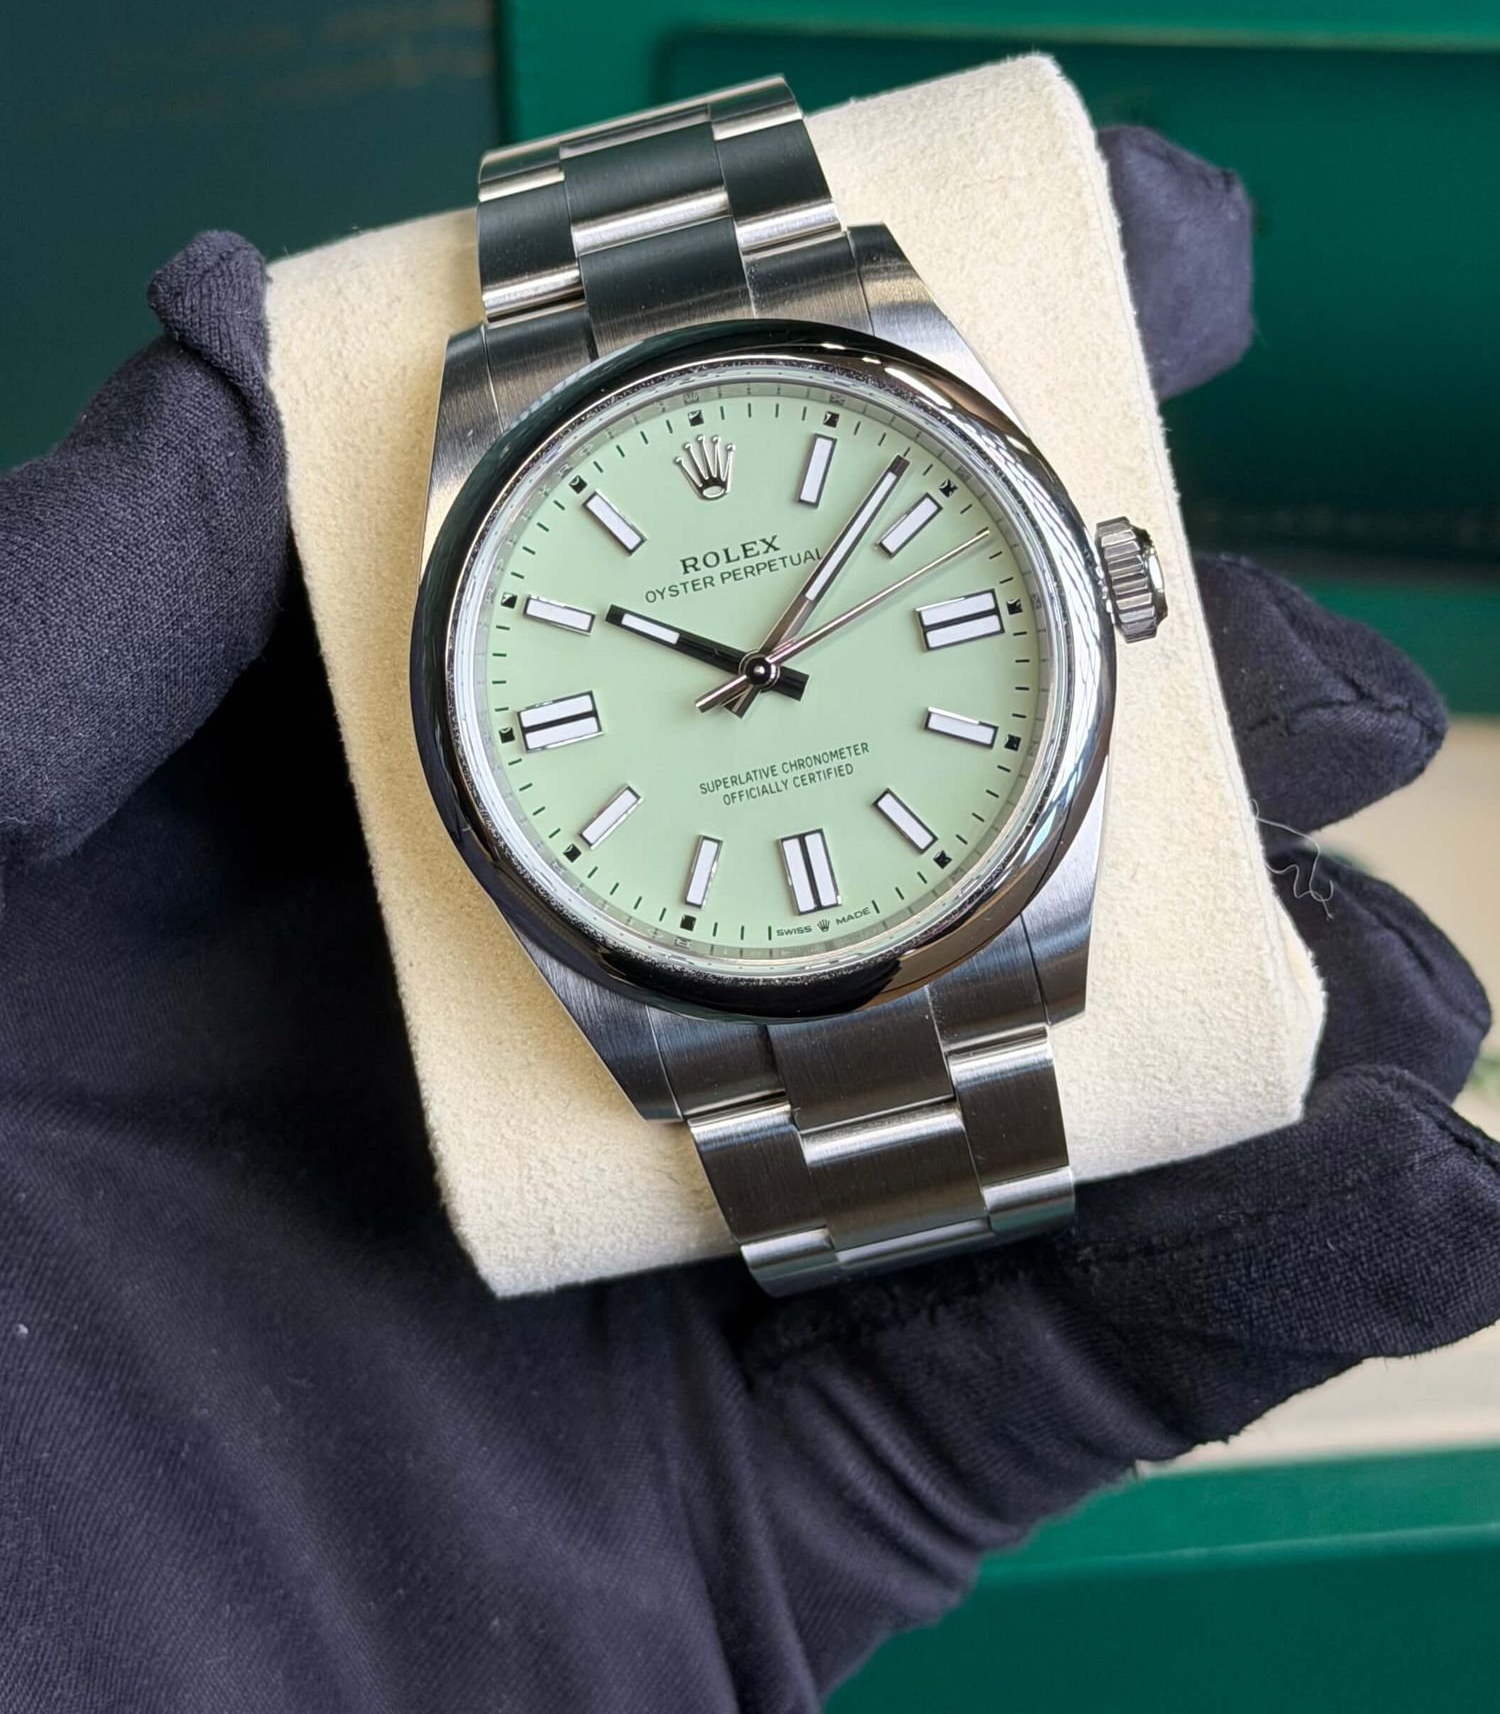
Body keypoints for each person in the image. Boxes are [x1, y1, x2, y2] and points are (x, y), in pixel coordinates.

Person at [3, 130, 1496, 1713]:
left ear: (1103, 579)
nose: (764, 678)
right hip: (655, 928)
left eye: (769, 667)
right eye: (749, 672)